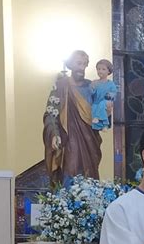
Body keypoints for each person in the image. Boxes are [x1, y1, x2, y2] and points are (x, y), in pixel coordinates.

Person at [43, 50, 102, 186]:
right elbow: (51, 114)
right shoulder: (61, 85)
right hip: (69, 139)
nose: (82, 68)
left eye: (85, 64)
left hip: (90, 140)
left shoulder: (92, 87)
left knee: (90, 174)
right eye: (79, 63)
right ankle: (69, 201)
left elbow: (100, 114)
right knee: (71, 168)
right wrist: (54, 134)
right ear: (70, 64)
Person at [91, 59, 118, 131]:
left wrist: (109, 99)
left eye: (103, 69)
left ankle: (105, 123)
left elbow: (113, 92)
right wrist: (92, 88)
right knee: (94, 107)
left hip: (106, 101)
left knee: (102, 104)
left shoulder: (110, 84)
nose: (100, 71)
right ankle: (98, 125)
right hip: (96, 102)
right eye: (98, 69)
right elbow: (92, 93)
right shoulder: (95, 82)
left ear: (108, 71)